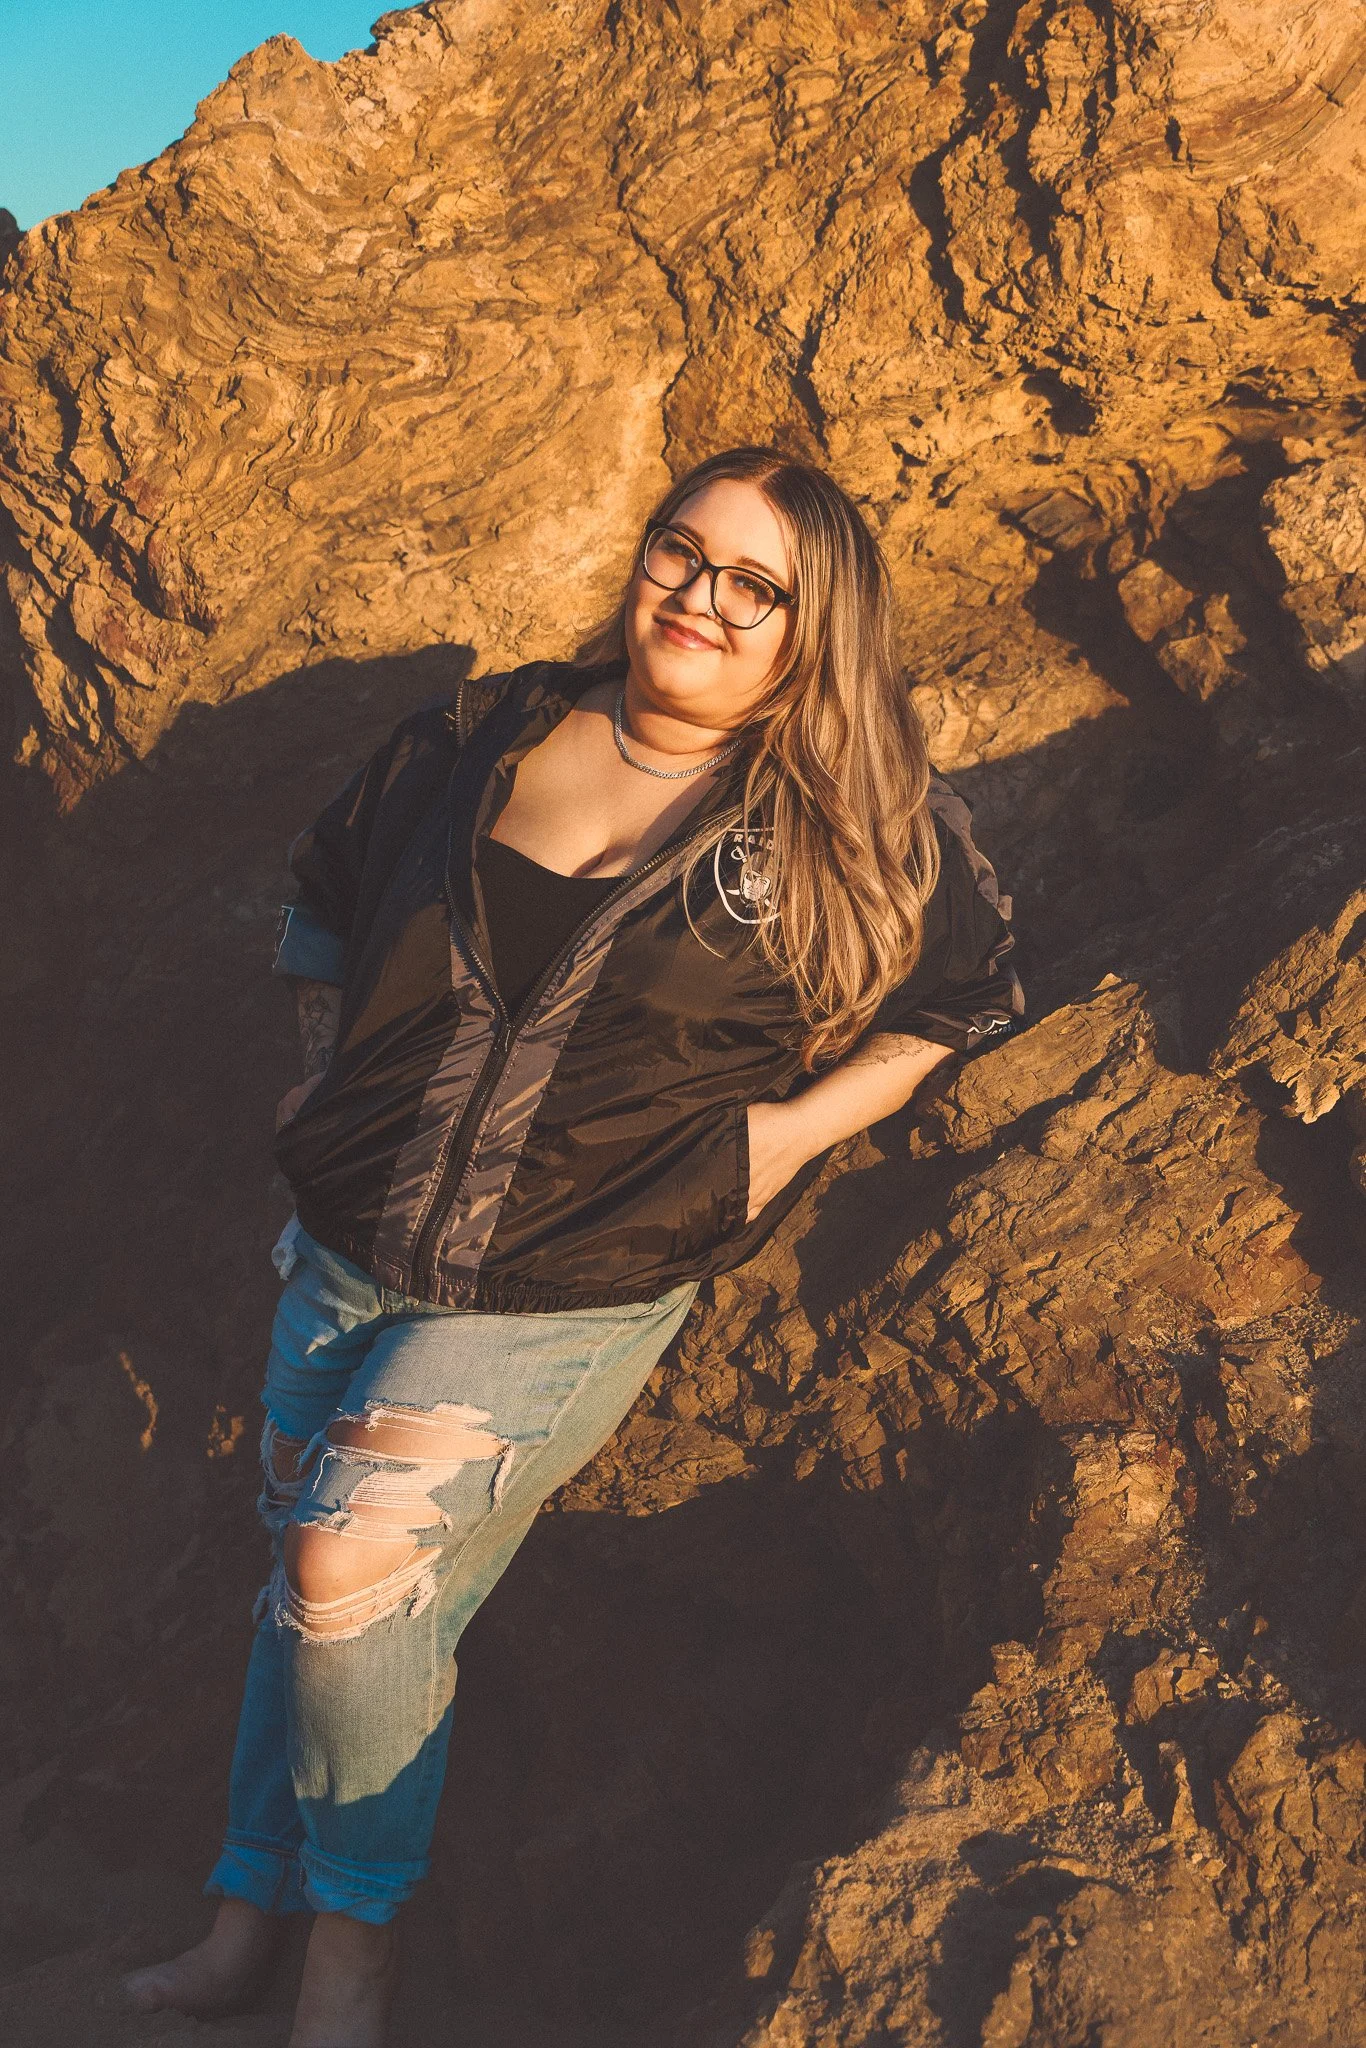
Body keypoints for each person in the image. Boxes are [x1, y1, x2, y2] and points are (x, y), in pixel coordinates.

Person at [124, 444, 1024, 2045]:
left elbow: (957, 1003)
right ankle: (241, 1908)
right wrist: (322, 1054)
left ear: (813, 628)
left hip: (571, 1284)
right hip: (349, 1239)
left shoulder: (852, 820)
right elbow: (326, 890)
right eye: (682, 555)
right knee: (306, 1588)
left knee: (346, 1572)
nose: (702, 600)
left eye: (757, 587)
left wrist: (774, 1141)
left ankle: (355, 1949)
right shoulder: (480, 735)